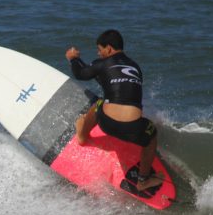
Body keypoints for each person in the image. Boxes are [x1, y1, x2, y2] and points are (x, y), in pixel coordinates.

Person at [65, 29, 163, 192]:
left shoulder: (102, 63)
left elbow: (81, 74)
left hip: (108, 123)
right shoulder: (135, 67)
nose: (99, 53)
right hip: (133, 129)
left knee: (99, 103)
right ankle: (143, 180)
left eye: (100, 49)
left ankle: (82, 135)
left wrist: (74, 59)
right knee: (151, 135)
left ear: (109, 48)